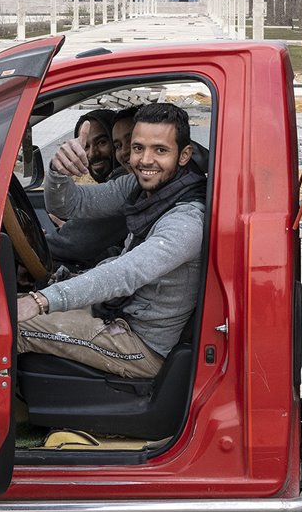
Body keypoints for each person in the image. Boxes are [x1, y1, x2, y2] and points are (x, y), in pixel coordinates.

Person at [16, 103, 206, 379]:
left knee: (11, 326)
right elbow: (72, 205)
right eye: (138, 148)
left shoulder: (186, 220)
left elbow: (126, 273)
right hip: (118, 312)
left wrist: (42, 300)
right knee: (7, 307)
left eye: (160, 150)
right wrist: (58, 172)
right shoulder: (140, 188)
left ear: (184, 155)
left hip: (142, 345)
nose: (144, 160)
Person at [46, 109, 126, 268]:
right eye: (86, 146)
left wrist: (38, 245)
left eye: (102, 142)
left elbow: (75, 244)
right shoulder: (118, 183)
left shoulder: (126, 186)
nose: (93, 154)